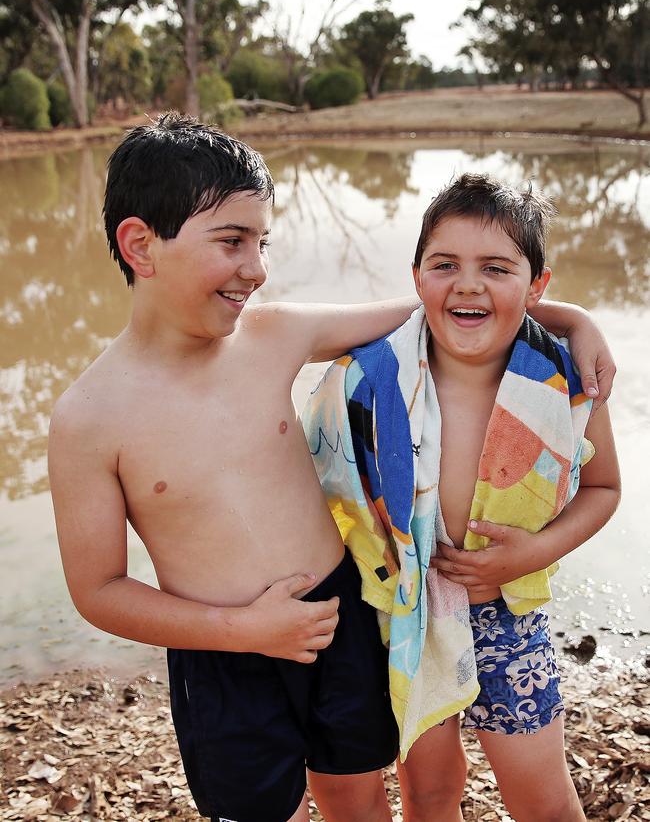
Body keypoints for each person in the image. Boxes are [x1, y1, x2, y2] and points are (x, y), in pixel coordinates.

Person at [48, 114, 615, 822]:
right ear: (141, 245)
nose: (256, 267)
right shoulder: (87, 418)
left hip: (340, 617)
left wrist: (569, 319)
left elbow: (444, 305)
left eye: (263, 242)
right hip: (221, 651)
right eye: (233, 241)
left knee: (356, 792)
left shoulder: (274, 332)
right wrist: (242, 630)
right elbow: (98, 588)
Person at [303, 173, 620, 822]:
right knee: (429, 790)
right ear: (416, 278)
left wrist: (534, 550)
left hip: (510, 617)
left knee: (546, 801)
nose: (468, 283)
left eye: (496, 267)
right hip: (408, 621)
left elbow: (605, 486)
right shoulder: (367, 381)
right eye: (445, 264)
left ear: (537, 287)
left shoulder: (564, 380)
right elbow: (319, 494)